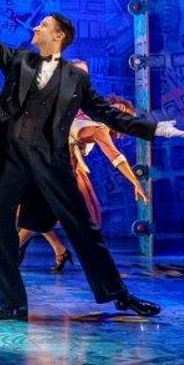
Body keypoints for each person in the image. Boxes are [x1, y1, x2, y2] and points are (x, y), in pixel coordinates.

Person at [0, 0, 184, 321]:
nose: (36, 27)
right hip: (14, 161)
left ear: (59, 35)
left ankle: (119, 295)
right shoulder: (21, 61)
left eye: (43, 24)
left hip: (51, 162)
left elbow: (106, 114)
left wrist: (154, 128)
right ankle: (13, 302)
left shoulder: (76, 76)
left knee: (83, 227)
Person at [18, 61, 149, 272]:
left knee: (51, 218)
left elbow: (117, 158)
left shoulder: (99, 130)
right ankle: (59, 250)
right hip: (46, 163)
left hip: (65, 173)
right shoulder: (84, 110)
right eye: (115, 108)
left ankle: (96, 266)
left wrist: (136, 183)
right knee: (33, 215)